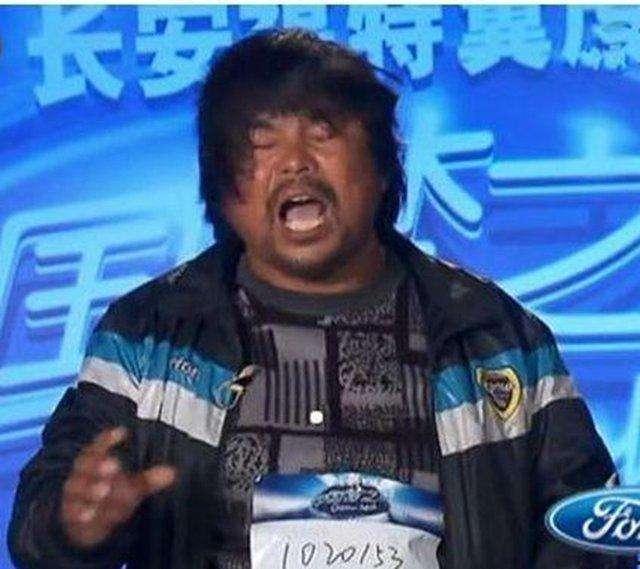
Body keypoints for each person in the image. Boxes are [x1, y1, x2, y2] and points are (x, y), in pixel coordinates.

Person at [7, 28, 632, 569]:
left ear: (382, 165)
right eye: (261, 142)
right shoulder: (149, 335)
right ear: (221, 191)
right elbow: (36, 527)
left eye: (322, 133)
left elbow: (590, 528)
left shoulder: (495, 337)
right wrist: (74, 524)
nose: (295, 165)